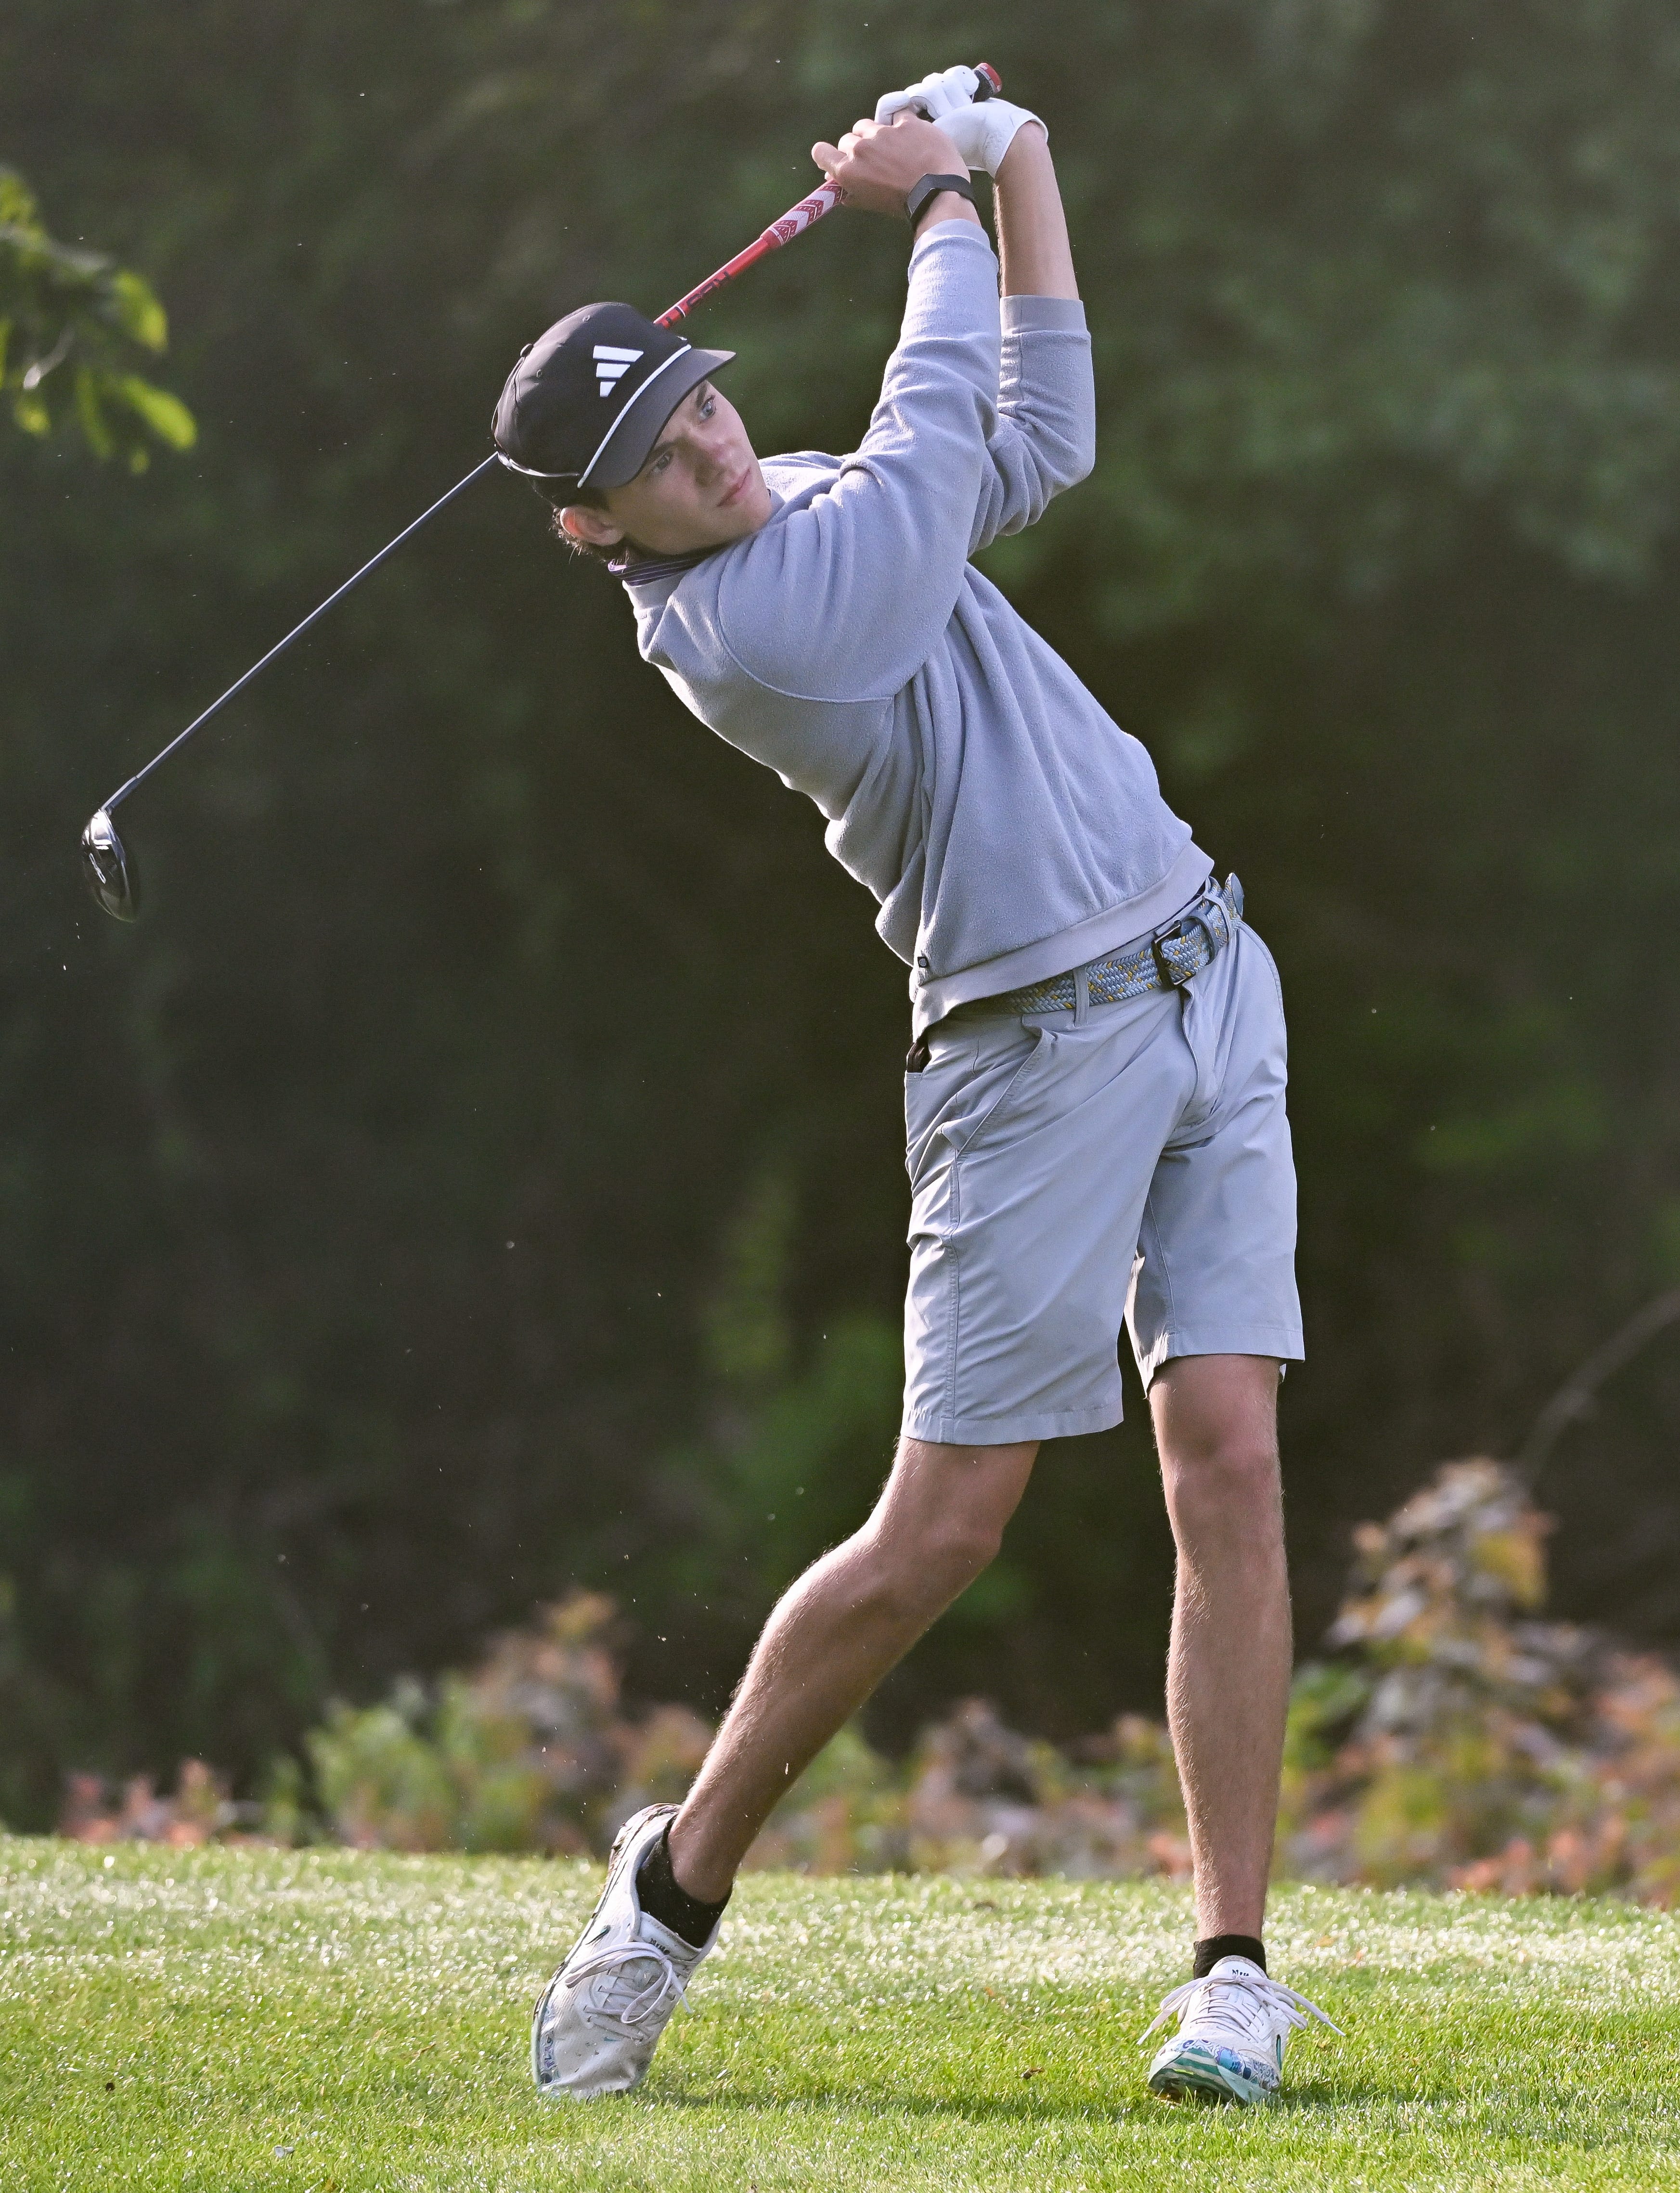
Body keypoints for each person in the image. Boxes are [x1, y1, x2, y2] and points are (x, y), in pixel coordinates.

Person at [492, 64, 1337, 2108]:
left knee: (1225, 1452)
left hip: (1204, 967)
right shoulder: (745, 622)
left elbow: (1034, 430)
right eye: (659, 457)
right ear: (602, 533)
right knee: (943, 1524)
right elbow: (945, 417)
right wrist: (932, 212)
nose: (707, 438)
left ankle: (1231, 1966)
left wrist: (1020, 149)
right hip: (1030, 1053)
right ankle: (674, 1887)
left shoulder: (790, 488)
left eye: (695, 393)